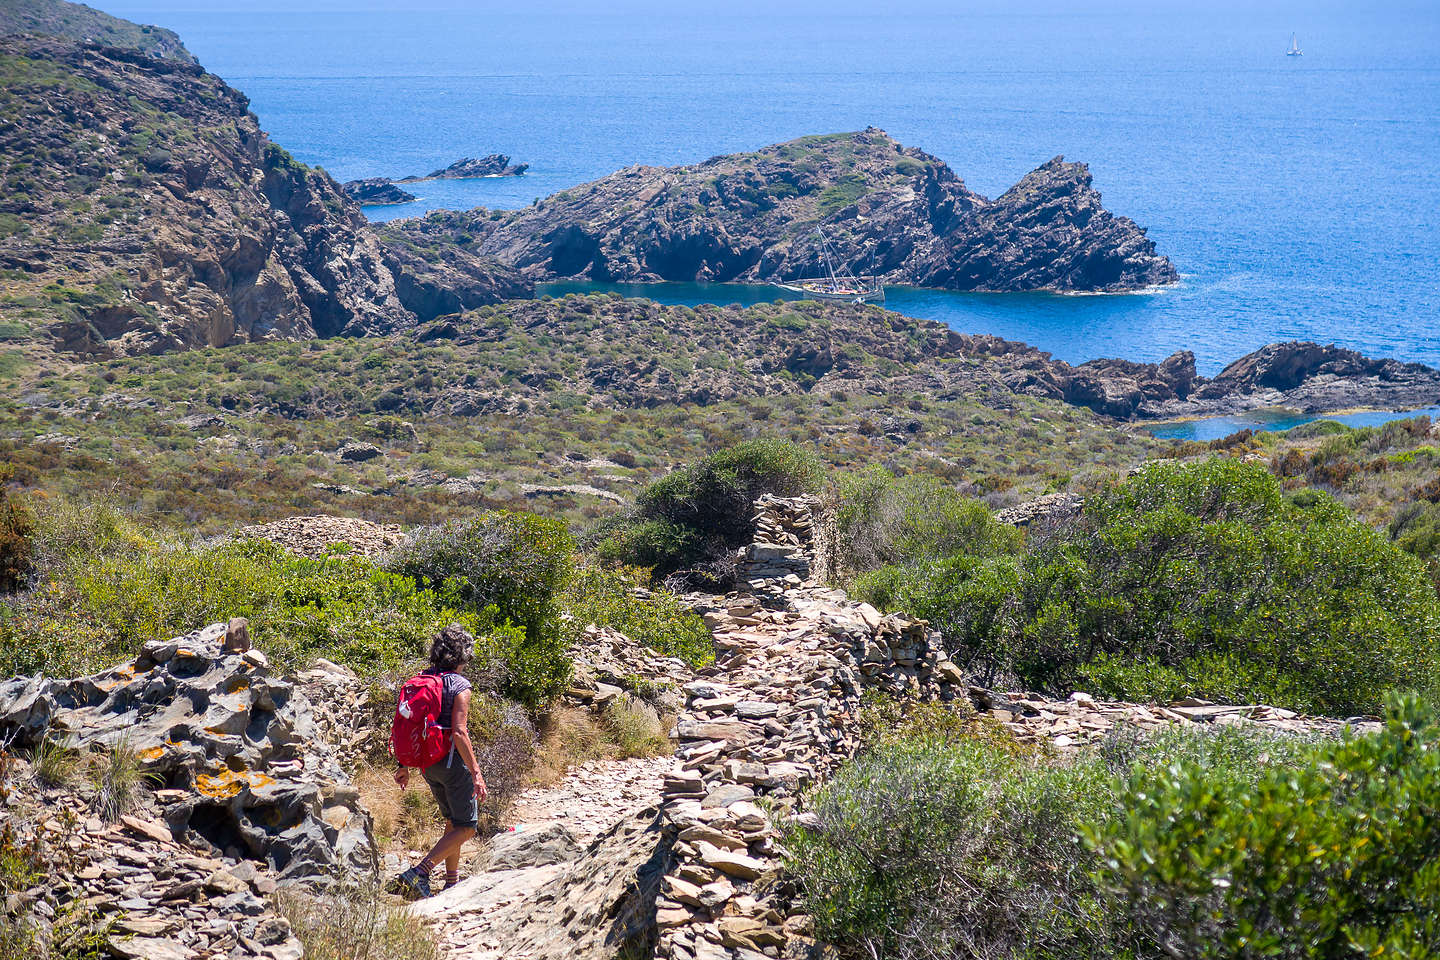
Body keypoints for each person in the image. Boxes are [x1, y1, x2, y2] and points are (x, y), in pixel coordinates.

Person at [391, 623, 488, 899]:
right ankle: (420, 871)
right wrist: (476, 772)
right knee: (467, 827)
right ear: (463, 655)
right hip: (451, 764)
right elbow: (459, 732)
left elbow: (403, 723)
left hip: (427, 764)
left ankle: (451, 882)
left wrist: (402, 764)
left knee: (452, 822)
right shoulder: (460, 686)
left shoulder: (422, 679)